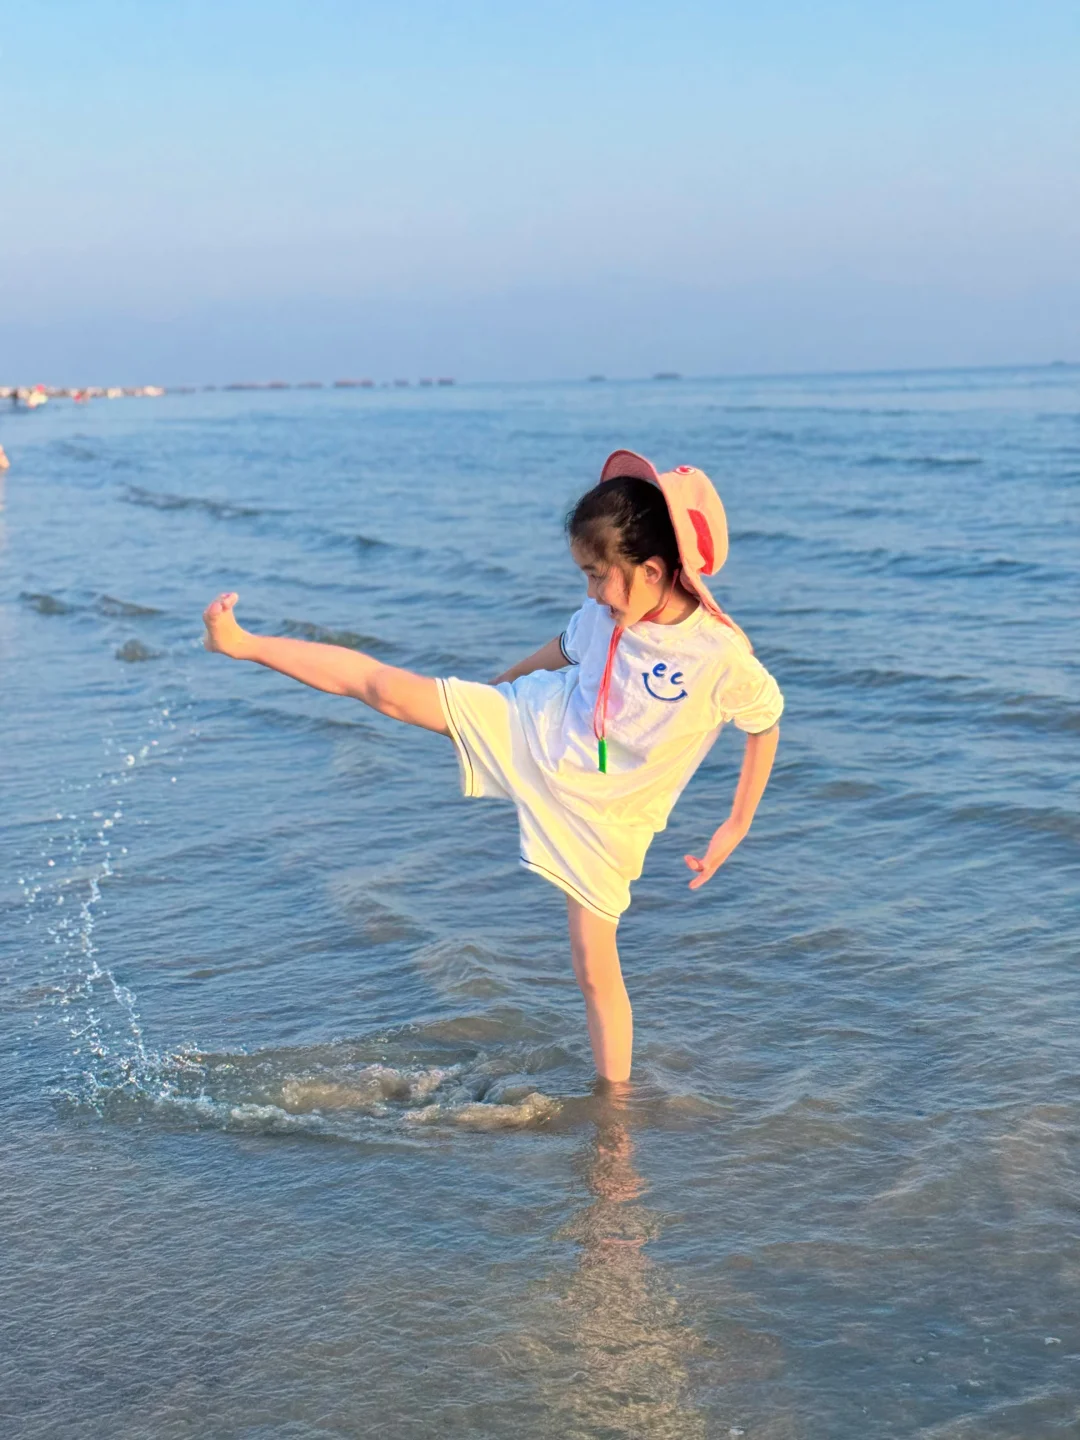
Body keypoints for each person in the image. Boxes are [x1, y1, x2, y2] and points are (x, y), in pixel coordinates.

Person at [202, 449, 783, 1085]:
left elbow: (765, 723)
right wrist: (493, 693)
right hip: (538, 729)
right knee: (390, 690)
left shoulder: (719, 655)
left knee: (594, 968)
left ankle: (614, 1109)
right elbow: (558, 654)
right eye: (585, 576)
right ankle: (242, 644)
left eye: (597, 576)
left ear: (650, 571)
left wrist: (736, 824)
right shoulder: (601, 616)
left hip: (609, 816)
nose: (590, 593)